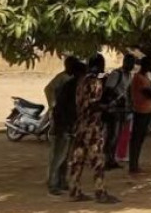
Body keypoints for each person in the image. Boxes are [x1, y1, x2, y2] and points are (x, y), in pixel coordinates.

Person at [68, 55, 118, 203]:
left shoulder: (82, 80)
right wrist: (108, 107)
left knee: (78, 159)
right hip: (92, 125)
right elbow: (93, 104)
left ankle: (74, 191)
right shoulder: (95, 82)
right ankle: (100, 192)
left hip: (80, 124)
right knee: (98, 160)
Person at [47, 56, 83, 194]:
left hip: (67, 124)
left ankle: (61, 181)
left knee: (65, 156)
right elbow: (63, 107)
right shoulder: (68, 84)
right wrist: (52, 105)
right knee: (58, 156)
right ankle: (53, 184)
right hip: (63, 124)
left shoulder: (73, 84)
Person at [103, 53, 136, 170]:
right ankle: (106, 160)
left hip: (122, 110)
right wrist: (117, 99)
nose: (132, 65)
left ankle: (111, 159)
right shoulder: (116, 74)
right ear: (125, 62)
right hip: (113, 109)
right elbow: (108, 90)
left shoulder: (128, 76)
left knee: (116, 136)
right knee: (112, 135)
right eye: (130, 62)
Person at [128, 57, 151, 174]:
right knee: (137, 139)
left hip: (145, 110)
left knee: (139, 139)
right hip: (141, 111)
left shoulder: (143, 78)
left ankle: (134, 163)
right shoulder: (140, 78)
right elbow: (149, 94)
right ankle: (133, 165)